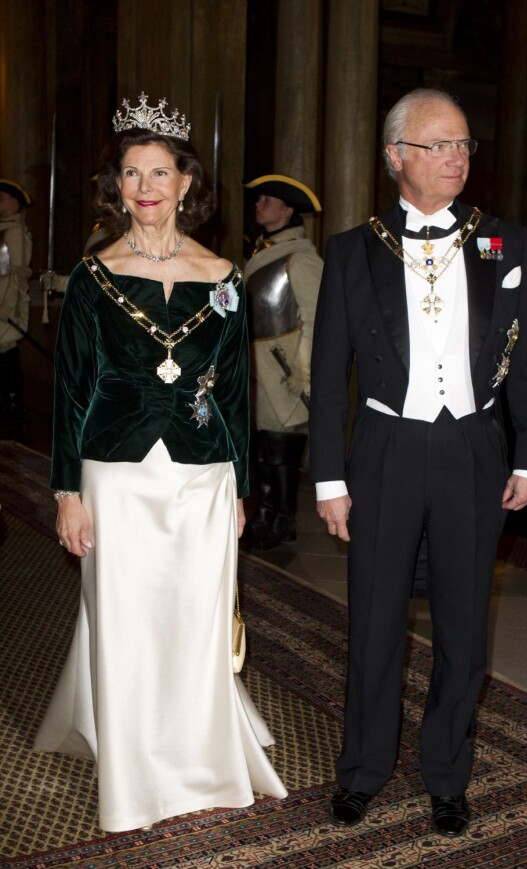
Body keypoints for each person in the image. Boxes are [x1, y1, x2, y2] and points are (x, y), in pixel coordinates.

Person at [34, 93, 287, 832]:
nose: (144, 187)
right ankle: (136, 769)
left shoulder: (225, 276)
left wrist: (239, 481)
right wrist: (66, 490)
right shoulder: (93, 277)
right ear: (117, 188)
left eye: (159, 173)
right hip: (115, 475)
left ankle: (201, 755)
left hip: (202, 474)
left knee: (195, 616)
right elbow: (70, 390)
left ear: (185, 184)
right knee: (127, 617)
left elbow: (237, 392)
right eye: (130, 174)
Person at [309, 88, 527, 837]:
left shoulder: (504, 243)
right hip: (384, 449)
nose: (457, 159)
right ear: (395, 157)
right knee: (376, 619)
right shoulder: (352, 251)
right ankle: (363, 770)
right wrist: (329, 477)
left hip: (473, 449)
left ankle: (448, 774)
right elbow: (326, 377)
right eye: (439, 145)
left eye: (464, 146)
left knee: (462, 627)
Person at [242, 174, 323, 550]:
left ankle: (281, 520)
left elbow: (314, 317)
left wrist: (303, 373)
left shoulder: (301, 257)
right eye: (258, 200)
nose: (259, 205)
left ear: (287, 210)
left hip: (283, 367)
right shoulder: (263, 250)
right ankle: (265, 515)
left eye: (267, 200)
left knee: (280, 449)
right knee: (263, 447)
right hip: (258, 363)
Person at [0, 179, 32, 426]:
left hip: (6, 305)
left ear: (13, 202)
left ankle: (13, 408)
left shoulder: (15, 232)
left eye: (2, 198)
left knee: (7, 354)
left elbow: (17, 275)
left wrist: (8, 306)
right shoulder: (4, 229)